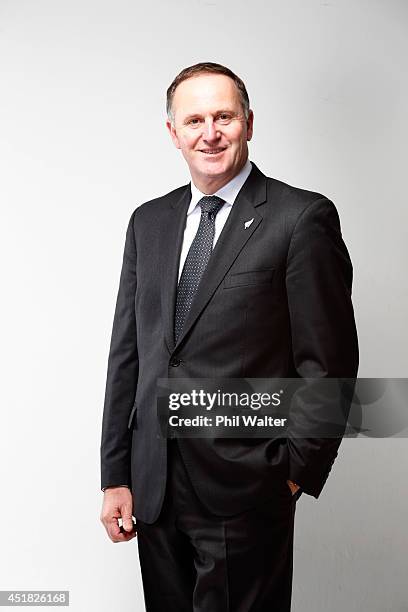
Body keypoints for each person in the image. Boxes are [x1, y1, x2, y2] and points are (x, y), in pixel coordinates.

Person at [100, 62, 359, 611]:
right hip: (155, 489)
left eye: (224, 116)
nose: (209, 133)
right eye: (193, 120)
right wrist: (115, 476)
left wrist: (291, 475)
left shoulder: (300, 218)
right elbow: (128, 356)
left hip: (247, 491)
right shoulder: (147, 223)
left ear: (248, 123)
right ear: (173, 132)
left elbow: (329, 364)